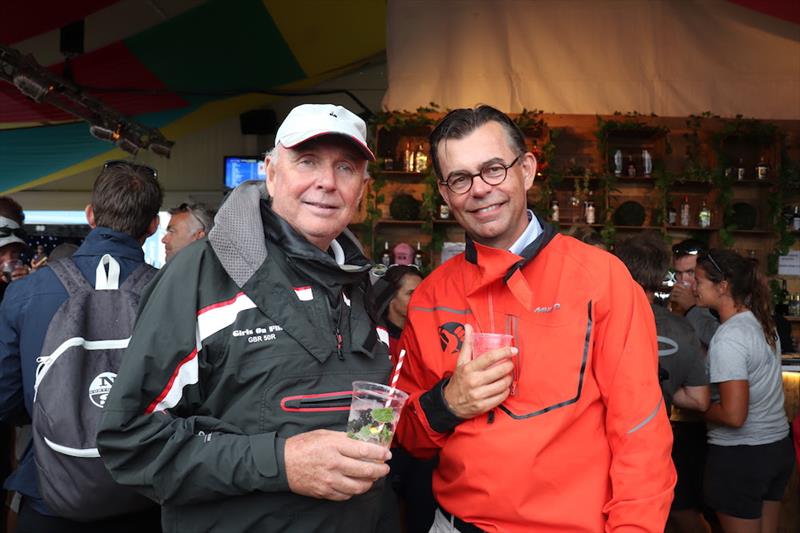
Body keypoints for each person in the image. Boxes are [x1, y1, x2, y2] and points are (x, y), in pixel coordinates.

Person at [96, 104, 394, 533]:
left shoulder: (362, 286)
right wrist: (281, 463)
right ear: (272, 172)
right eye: (307, 161)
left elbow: (369, 427)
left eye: (345, 168)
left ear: (362, 188)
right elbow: (129, 442)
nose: (327, 182)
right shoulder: (201, 274)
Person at [394, 105, 675, 532]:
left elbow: (640, 431)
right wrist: (447, 403)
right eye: (460, 179)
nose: (480, 190)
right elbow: (409, 438)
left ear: (526, 169)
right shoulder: (430, 296)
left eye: (493, 169)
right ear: (445, 192)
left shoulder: (601, 279)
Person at [0, 161, 163, 532]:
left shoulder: (25, 293)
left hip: (50, 492)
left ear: (91, 215)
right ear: (153, 225)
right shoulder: (174, 291)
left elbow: (6, 398)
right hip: (145, 494)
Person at [614, 233, 712, 533]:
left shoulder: (597, 317)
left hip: (603, 444)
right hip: (656, 441)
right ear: (660, 275)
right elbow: (699, 400)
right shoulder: (682, 327)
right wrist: (662, 388)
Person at [695, 250, 794, 533]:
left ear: (722, 286)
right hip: (775, 449)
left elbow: (734, 415)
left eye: (699, 281)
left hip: (743, 458)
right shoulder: (761, 322)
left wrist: (695, 404)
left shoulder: (729, 336)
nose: (693, 287)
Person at [372, 265, 436, 533]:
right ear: (391, 297)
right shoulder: (373, 338)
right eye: (412, 293)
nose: (420, 298)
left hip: (420, 442)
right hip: (382, 445)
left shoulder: (427, 338)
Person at [670, 239, 719, 347]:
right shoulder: (674, 299)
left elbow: (720, 338)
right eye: (678, 273)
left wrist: (691, 308)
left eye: (690, 272)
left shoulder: (718, 297)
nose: (683, 280)